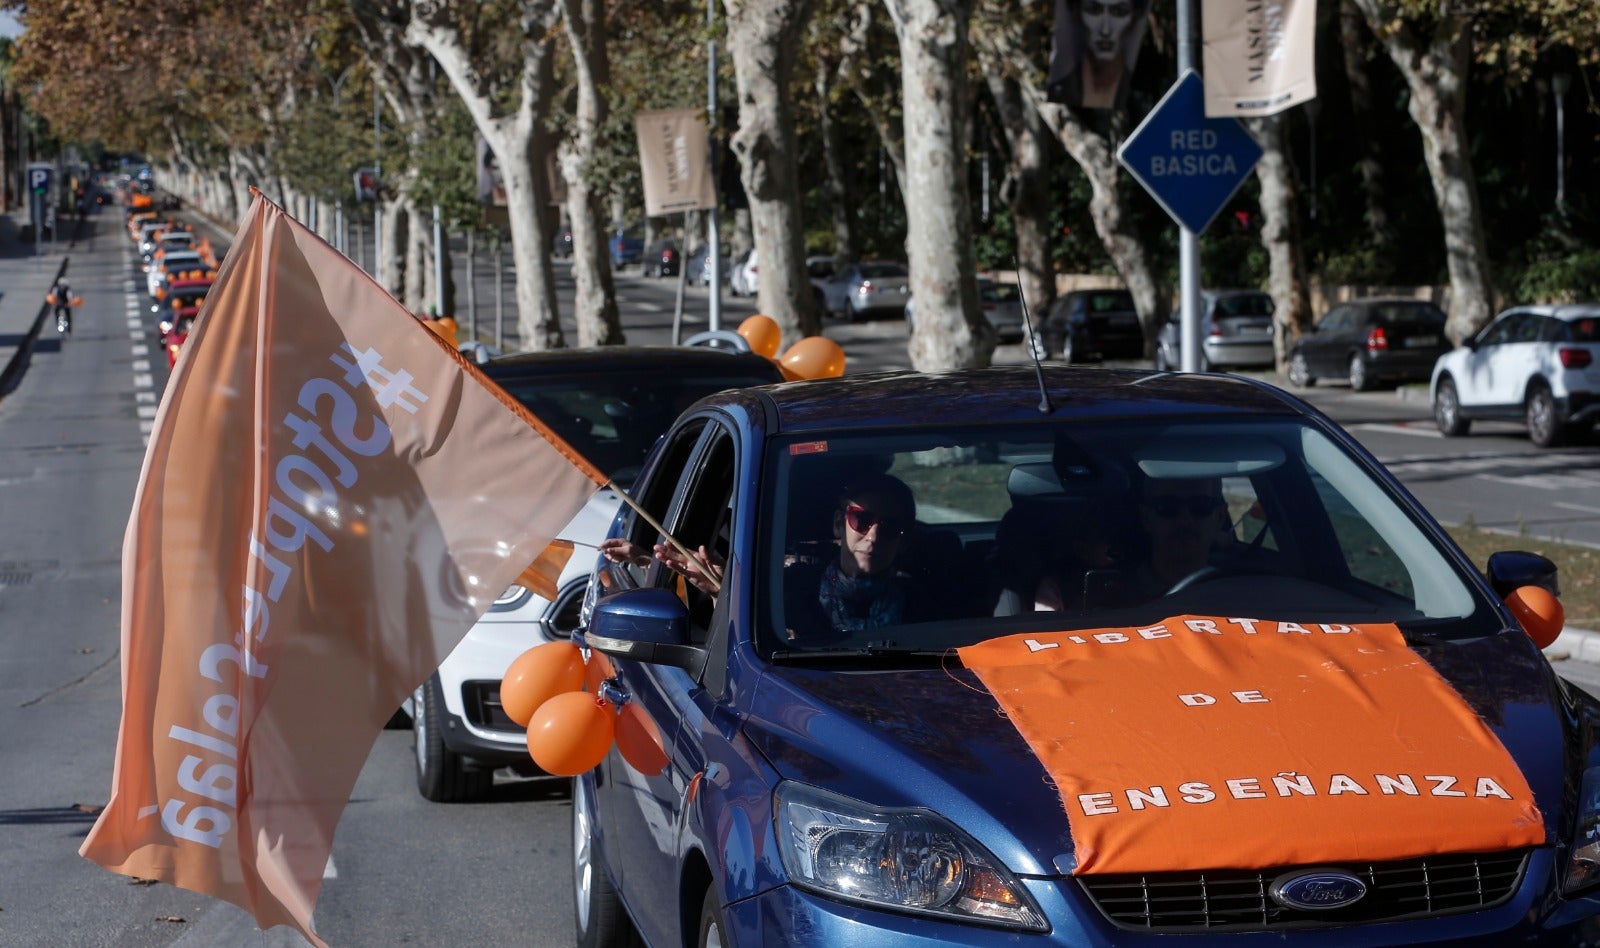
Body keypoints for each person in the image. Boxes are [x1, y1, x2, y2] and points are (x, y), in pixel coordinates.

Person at [784, 472, 917, 639]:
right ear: (839, 523)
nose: (873, 536)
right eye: (862, 519)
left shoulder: (920, 604)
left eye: (890, 527)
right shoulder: (790, 592)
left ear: (903, 542)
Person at [1126, 475, 1232, 601]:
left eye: (1200, 506)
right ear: (1146, 518)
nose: (1185, 521)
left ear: (1221, 517)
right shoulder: (1115, 598)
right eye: (1168, 506)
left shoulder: (1242, 593)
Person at [1046, 0, 1152, 111]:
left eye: (1119, 11)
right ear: (1077, 14)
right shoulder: (1060, 89)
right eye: (1094, 10)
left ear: (1134, 17)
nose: (1105, 30)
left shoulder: (1141, 96)